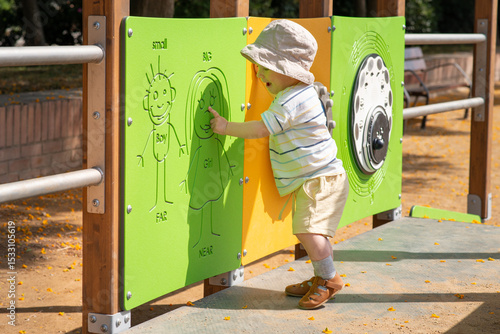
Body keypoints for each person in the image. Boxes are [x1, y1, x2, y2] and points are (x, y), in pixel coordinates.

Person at [209, 19, 349, 310]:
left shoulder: (290, 101)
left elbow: (261, 129)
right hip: (322, 176)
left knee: (308, 231)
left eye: (266, 67)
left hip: (320, 178)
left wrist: (225, 127)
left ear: (289, 71)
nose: (259, 74)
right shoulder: (296, 94)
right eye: (258, 67)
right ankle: (320, 276)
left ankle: (329, 280)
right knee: (314, 232)